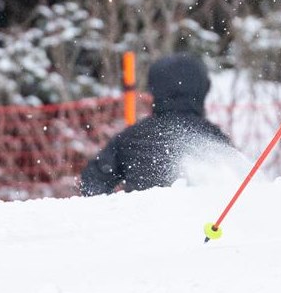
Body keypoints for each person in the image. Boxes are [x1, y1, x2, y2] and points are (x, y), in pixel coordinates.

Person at [78, 53, 236, 196]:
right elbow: (236, 187)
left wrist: (116, 213)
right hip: (200, 225)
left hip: (143, 223)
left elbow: (93, 181)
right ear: (203, 89)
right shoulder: (215, 139)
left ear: (154, 89)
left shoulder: (131, 137)